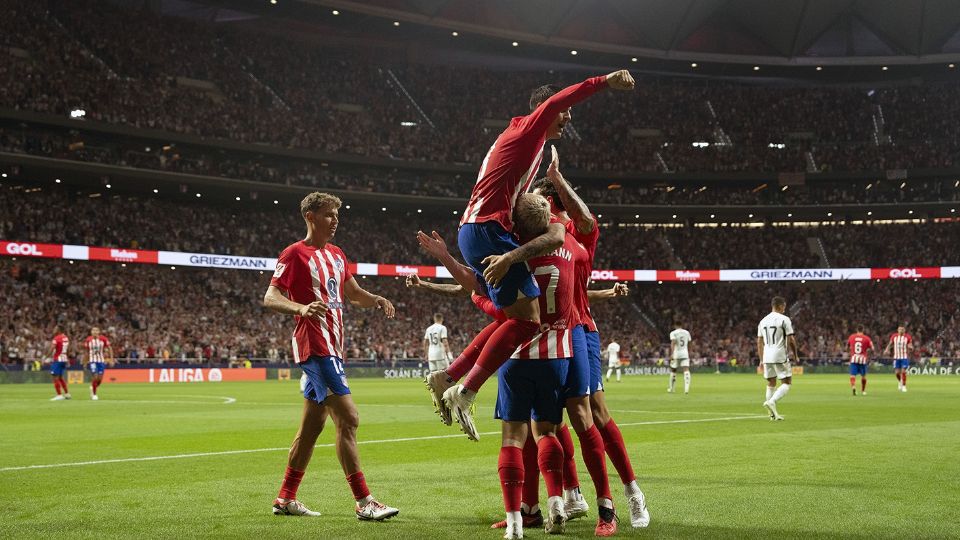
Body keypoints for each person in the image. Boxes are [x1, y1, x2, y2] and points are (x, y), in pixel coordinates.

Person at [410, 193, 625, 536]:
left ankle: (522, 516)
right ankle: (568, 503)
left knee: (515, 436)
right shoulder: (571, 250)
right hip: (559, 354)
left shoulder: (515, 262)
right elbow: (574, 249)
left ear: (519, 226)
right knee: (552, 431)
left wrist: (456, 267)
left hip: (519, 354)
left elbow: (483, 292)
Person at [440, 70, 637, 441]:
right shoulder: (529, 130)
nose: (568, 118)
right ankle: (464, 391)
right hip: (486, 228)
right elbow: (559, 101)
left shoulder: (529, 144)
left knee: (508, 316)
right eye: (564, 114)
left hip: (480, 229)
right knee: (529, 318)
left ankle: (449, 378)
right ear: (546, 110)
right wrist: (605, 81)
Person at [264, 192, 399, 521]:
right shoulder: (295, 254)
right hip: (315, 347)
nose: (335, 221)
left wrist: (377, 299)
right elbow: (271, 296)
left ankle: (285, 498)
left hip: (334, 348)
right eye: (328, 215)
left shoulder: (338, 255)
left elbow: (353, 294)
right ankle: (364, 501)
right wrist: (301, 307)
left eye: (337, 215)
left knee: (311, 429)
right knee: (349, 419)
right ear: (310, 216)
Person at [757, 297, 798, 421]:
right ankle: (772, 401)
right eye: (784, 307)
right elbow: (791, 339)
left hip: (767, 355)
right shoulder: (784, 319)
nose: (784, 309)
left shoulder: (762, 321)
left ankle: (772, 414)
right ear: (780, 306)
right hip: (779, 354)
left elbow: (759, 342)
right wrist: (795, 355)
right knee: (787, 382)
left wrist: (761, 359)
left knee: (771, 383)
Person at [83, 327, 113, 400]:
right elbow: (86, 352)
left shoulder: (103, 339)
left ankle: (92, 387)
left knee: (99, 379)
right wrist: (85, 362)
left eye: (96, 330)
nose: (95, 332)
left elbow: (110, 348)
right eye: (93, 330)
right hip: (92, 361)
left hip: (101, 361)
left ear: (99, 332)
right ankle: (94, 394)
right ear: (91, 332)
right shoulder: (88, 340)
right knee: (95, 376)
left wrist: (111, 359)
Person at [884, 325, 913, 392]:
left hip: (904, 357)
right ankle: (900, 381)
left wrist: (911, 348)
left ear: (904, 330)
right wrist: (886, 349)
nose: (901, 331)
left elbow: (910, 345)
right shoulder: (894, 336)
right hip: (896, 357)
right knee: (897, 373)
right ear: (897, 330)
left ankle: (904, 386)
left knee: (903, 371)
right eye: (899, 329)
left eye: (902, 329)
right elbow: (890, 344)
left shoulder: (908, 337)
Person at [846, 326, 874, 396]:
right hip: (862, 359)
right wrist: (868, 351)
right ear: (863, 330)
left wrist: (850, 351)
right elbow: (872, 348)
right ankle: (863, 391)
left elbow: (847, 347)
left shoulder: (851, 337)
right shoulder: (867, 338)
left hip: (854, 358)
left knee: (852, 375)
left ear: (857, 330)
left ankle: (853, 387)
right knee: (863, 376)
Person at [668, 323, 692, 394]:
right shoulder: (687, 332)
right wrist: (689, 352)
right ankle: (686, 389)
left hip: (677, 353)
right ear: (682, 325)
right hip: (685, 353)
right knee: (686, 370)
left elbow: (673, 342)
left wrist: (672, 354)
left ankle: (671, 389)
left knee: (673, 370)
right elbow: (690, 342)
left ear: (675, 326)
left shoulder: (673, 333)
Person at [48, 326, 71, 401]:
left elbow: (52, 348)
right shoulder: (66, 338)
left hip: (57, 360)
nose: (53, 330)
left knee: (55, 377)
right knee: (60, 377)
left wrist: (45, 357)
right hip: (64, 359)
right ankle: (67, 394)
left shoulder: (56, 338)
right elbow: (68, 349)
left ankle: (59, 395)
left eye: (55, 329)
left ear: (59, 330)